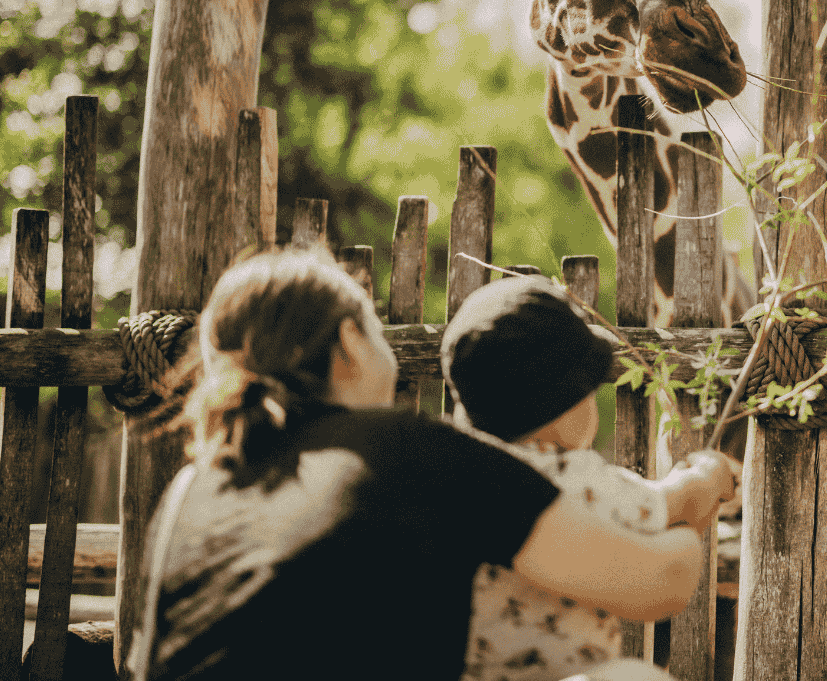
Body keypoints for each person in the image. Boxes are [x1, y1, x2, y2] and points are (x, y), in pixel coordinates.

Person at [127, 248, 721, 681]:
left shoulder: (193, 488)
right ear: (352, 344)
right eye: (377, 329)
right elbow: (657, 583)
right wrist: (696, 503)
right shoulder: (406, 453)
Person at [440, 275, 737, 681]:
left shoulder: (455, 476)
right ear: (564, 408)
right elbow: (671, 504)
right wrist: (709, 475)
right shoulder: (572, 478)